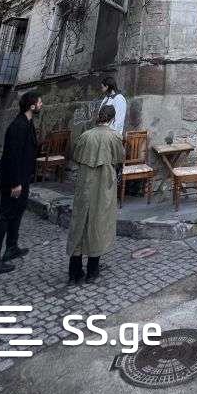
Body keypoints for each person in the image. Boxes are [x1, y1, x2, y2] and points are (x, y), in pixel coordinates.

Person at [0, 89, 41, 276]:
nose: (41, 105)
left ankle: (11, 247)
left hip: (23, 177)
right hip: (13, 179)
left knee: (17, 212)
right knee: (4, 216)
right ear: (32, 106)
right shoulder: (18, 126)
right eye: (39, 102)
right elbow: (12, 156)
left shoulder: (28, 123)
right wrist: (16, 182)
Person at [67, 103, 125, 285]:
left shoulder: (85, 135)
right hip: (103, 186)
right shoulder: (114, 136)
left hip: (85, 184)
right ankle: (92, 270)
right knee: (99, 223)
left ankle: (74, 271)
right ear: (112, 118)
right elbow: (119, 158)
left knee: (80, 223)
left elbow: (76, 156)